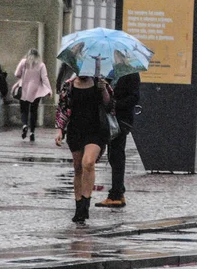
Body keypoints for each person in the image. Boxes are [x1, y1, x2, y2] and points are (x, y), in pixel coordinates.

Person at [55, 74, 113, 224]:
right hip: (76, 131)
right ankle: (78, 205)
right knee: (78, 168)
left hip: (96, 130)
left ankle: (85, 205)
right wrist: (60, 130)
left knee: (88, 163)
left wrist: (103, 90)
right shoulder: (69, 85)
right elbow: (63, 109)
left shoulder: (99, 82)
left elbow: (110, 105)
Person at [95, 73, 140, 208]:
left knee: (116, 154)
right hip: (108, 118)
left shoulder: (131, 74)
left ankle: (116, 195)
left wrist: (115, 105)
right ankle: (118, 191)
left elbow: (134, 97)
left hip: (121, 120)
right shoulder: (108, 72)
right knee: (114, 155)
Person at [15, 49, 52, 142]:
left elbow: (17, 74)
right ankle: (32, 132)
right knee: (33, 111)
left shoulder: (24, 62)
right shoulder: (41, 65)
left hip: (23, 88)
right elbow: (44, 78)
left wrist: (24, 75)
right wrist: (49, 90)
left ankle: (24, 125)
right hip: (36, 91)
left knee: (24, 110)